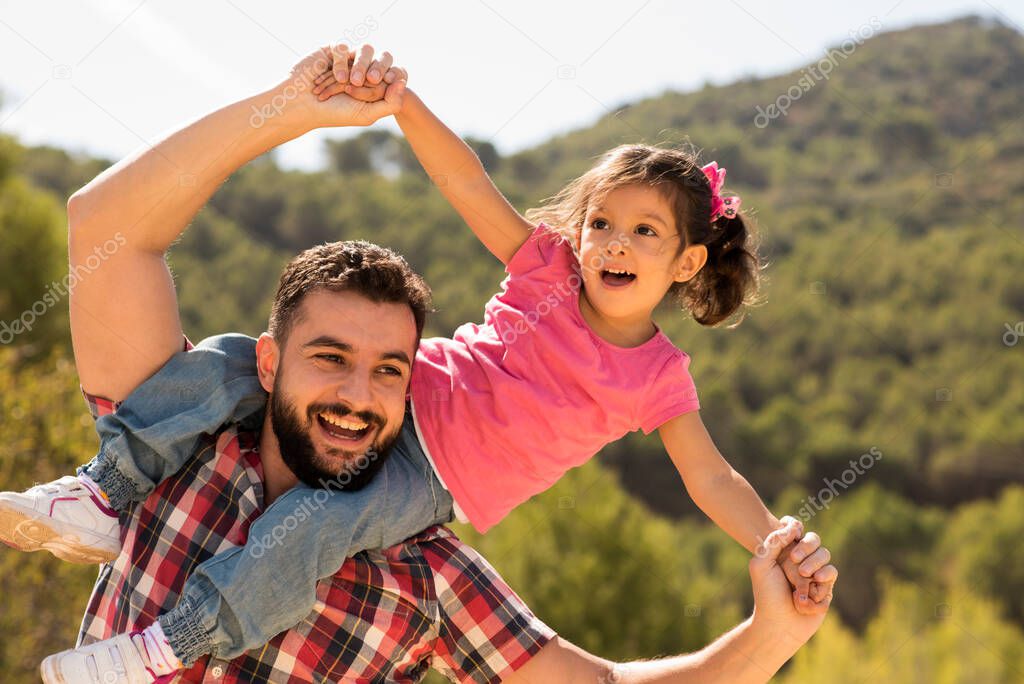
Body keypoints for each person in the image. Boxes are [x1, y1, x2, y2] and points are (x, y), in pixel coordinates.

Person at [0, 43, 836, 682]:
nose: (615, 244)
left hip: (432, 478)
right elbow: (469, 184)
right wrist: (378, 104)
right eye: (602, 225)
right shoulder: (195, 453)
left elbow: (708, 479)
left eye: (645, 233)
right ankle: (103, 492)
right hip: (399, 412)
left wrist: (774, 579)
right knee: (217, 364)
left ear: (687, 264)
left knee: (314, 528)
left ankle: (163, 650)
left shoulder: (433, 571)